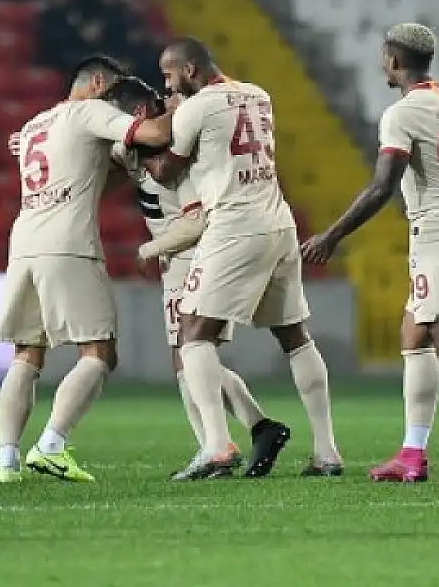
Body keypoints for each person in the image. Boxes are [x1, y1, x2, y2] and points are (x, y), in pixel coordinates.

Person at [303, 23, 439, 485]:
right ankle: (412, 453)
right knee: (414, 335)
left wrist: (332, 236)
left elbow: (382, 187)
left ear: (393, 60)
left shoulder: (402, 114)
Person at [146, 37, 342, 480]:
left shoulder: (195, 108)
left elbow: (165, 172)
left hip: (234, 225)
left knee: (192, 336)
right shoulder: (258, 94)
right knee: (295, 338)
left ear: (190, 71)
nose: (168, 84)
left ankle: (216, 446)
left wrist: (141, 136)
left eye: (169, 75)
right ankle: (327, 451)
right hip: (279, 222)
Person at [0, 55, 173, 484]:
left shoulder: (35, 125)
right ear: (96, 83)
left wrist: (122, 162)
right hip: (68, 245)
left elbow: (90, 179)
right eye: (111, 88)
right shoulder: (90, 112)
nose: (114, 98)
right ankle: (52, 445)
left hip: (24, 245)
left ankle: (6, 462)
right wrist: (186, 108)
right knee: (99, 351)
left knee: (26, 354)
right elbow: (155, 133)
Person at [109, 78, 292, 478]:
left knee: (188, 355)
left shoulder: (176, 157)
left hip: (193, 260)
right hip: (178, 265)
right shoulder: (138, 151)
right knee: (190, 359)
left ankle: (218, 447)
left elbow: (196, 221)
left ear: (136, 115)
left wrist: (151, 249)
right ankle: (254, 428)